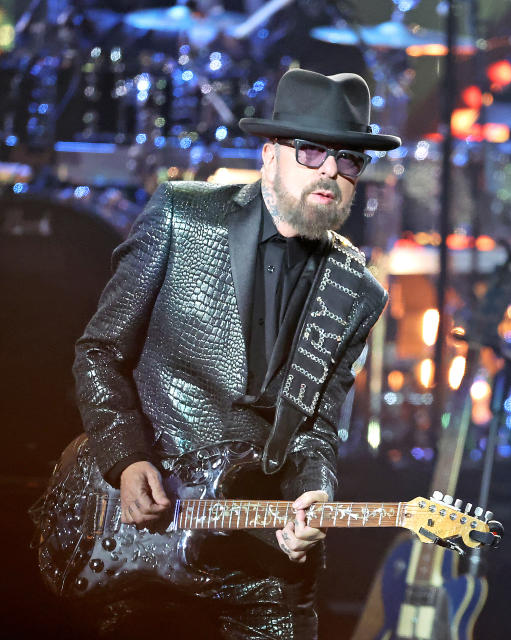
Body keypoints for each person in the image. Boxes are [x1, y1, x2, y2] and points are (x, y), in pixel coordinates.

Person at [69, 69, 399, 639]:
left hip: (261, 560)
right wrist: (125, 459)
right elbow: (99, 350)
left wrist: (312, 496)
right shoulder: (182, 216)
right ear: (270, 154)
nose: (330, 171)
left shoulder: (359, 291)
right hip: (150, 540)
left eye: (348, 160)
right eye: (311, 150)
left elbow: (318, 428)